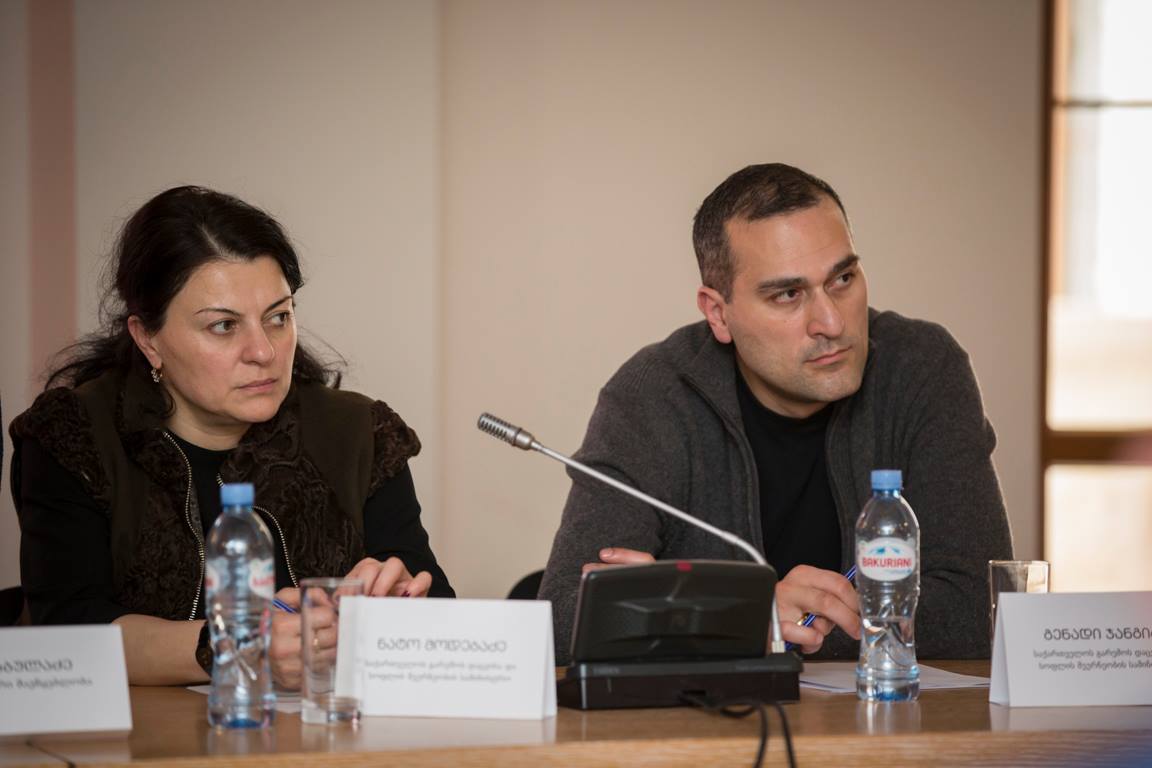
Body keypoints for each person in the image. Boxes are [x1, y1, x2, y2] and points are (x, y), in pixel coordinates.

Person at [539, 163, 1013, 664]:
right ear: (718, 313)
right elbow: (561, 620)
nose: (831, 322)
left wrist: (728, 623)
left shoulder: (922, 368)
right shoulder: (652, 396)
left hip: (884, 709)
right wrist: (745, 617)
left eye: (843, 278)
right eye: (788, 294)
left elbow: (981, 610)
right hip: (717, 716)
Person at [10, 185, 453, 686]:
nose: (264, 352)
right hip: (139, 732)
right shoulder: (76, 436)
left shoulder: (358, 433)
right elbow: (70, 630)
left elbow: (435, 604)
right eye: (224, 326)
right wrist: (237, 645)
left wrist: (400, 602)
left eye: (278, 318)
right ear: (147, 338)